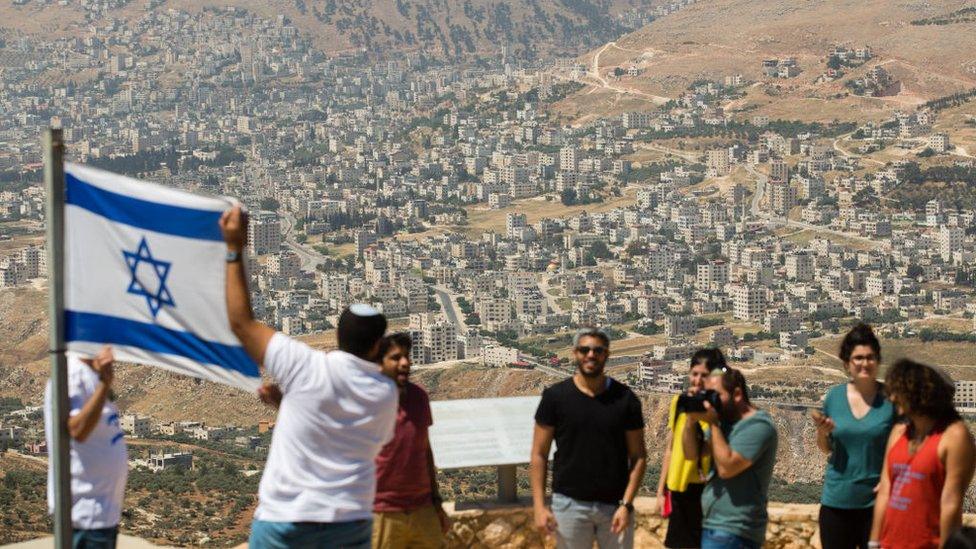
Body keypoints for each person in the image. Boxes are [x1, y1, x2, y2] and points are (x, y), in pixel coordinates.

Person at [220, 206, 398, 549]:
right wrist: (289, 405)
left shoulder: (306, 366)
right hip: (349, 521)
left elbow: (241, 323)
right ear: (377, 345)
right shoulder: (385, 393)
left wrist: (233, 248)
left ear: (338, 336)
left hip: (286, 521)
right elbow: (341, 428)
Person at [530, 328, 647, 549]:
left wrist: (626, 504)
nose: (591, 355)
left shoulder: (626, 400)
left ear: (606, 355)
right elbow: (539, 454)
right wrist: (539, 505)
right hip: (569, 504)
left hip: (615, 506)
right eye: (585, 350)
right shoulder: (555, 397)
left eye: (598, 350)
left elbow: (639, 456)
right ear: (575, 353)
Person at [870, 359, 976, 548]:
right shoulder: (898, 432)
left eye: (900, 391)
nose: (893, 398)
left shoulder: (954, 436)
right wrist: (873, 542)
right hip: (889, 544)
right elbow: (886, 491)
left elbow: (950, 502)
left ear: (921, 393)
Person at [813, 323, 894, 549]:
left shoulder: (891, 400)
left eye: (870, 357)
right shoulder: (834, 397)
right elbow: (826, 448)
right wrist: (823, 432)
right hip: (837, 502)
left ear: (877, 360)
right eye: (858, 358)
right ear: (847, 363)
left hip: (877, 504)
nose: (865, 363)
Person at [371, 333, 450, 549]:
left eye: (406, 356)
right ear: (379, 363)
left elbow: (425, 451)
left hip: (422, 509)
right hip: (382, 512)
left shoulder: (419, 397)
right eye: (396, 358)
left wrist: (436, 503)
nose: (405, 363)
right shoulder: (367, 401)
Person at [684, 368, 778, 549]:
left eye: (716, 395)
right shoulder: (724, 423)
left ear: (736, 394)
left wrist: (712, 423)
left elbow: (727, 468)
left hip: (736, 529)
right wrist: (690, 419)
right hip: (713, 524)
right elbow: (691, 454)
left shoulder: (758, 426)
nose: (711, 401)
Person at [44, 346, 127, 549]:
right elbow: (77, 429)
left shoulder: (90, 374)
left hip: (101, 512)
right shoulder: (73, 374)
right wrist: (103, 386)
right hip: (85, 513)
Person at [657, 349, 727, 549]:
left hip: (705, 489)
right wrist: (661, 490)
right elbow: (670, 448)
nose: (697, 380)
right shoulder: (680, 402)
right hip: (679, 488)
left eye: (703, 375)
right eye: (694, 374)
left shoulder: (718, 407)